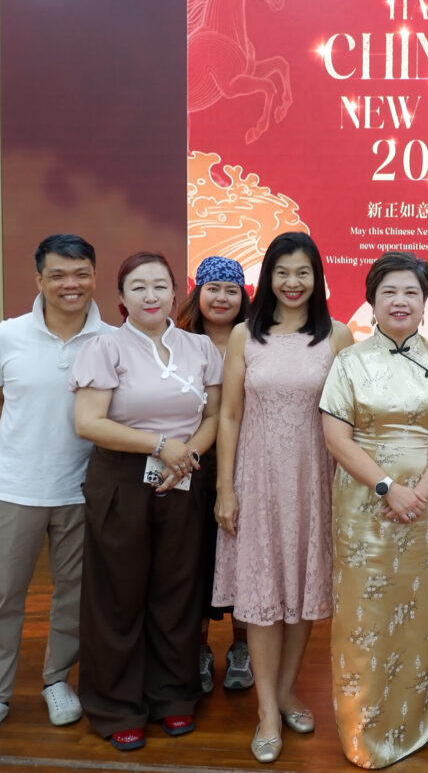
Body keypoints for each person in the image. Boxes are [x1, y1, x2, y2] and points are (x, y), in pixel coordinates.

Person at [319, 251, 428, 769]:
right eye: (389, 291)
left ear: (426, 302)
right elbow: (336, 438)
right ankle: (362, 732)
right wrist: (389, 488)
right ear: (372, 301)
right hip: (365, 509)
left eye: (411, 292)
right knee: (363, 618)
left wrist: (420, 493)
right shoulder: (350, 362)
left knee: (420, 619)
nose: (400, 301)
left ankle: (411, 724)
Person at [0, 234, 112, 748]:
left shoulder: (112, 340)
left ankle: (56, 681)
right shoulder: (6, 335)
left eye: (82, 273)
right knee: (3, 597)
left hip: (82, 490)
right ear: (39, 279)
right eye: (59, 275)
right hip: (15, 488)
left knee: (74, 596)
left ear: (94, 276)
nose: (72, 284)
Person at [71, 251, 222, 751]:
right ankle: (117, 705)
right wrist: (160, 446)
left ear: (176, 293)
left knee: (177, 592)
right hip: (121, 480)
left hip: (185, 478)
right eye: (138, 287)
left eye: (160, 285)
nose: (150, 295)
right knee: (118, 595)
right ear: (121, 298)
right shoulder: (104, 347)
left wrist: (187, 455)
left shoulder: (201, 347)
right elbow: (88, 423)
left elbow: (214, 417)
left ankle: (173, 695)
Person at [212, 233, 353, 763]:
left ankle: (289, 690)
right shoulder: (245, 336)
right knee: (264, 599)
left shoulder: (337, 336)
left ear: (317, 278)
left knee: (302, 594)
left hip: (315, 481)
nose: (293, 283)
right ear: (268, 277)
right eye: (282, 272)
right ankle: (267, 711)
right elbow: (229, 415)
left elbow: (350, 416)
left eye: (303, 273)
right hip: (258, 481)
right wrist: (226, 488)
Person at [176, 256, 255, 695]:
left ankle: (242, 648)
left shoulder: (257, 339)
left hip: (248, 465)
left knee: (244, 558)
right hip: (193, 466)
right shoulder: (179, 341)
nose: (222, 298)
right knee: (197, 560)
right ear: (198, 293)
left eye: (231, 290)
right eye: (213, 289)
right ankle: (200, 649)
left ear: (243, 296)